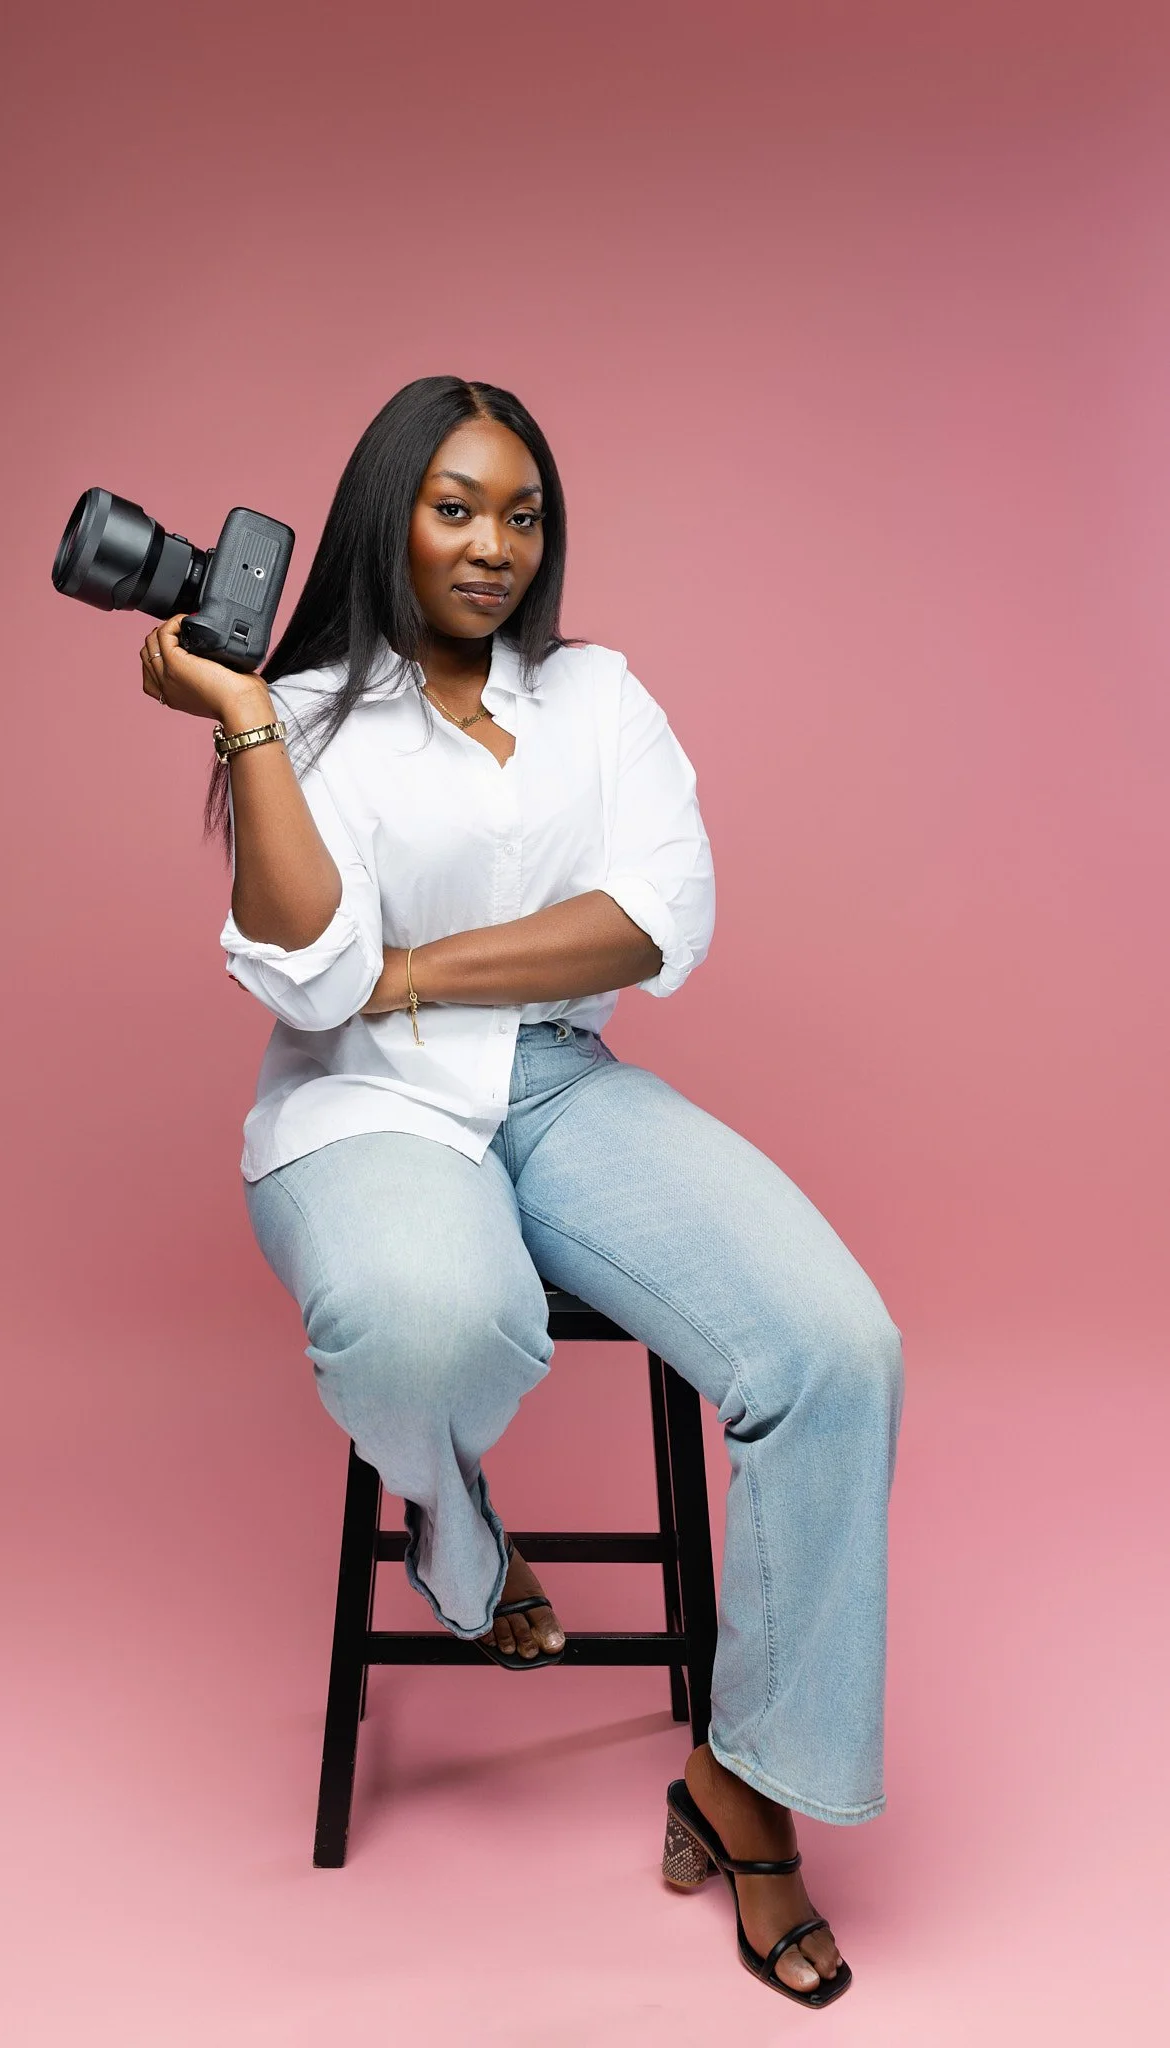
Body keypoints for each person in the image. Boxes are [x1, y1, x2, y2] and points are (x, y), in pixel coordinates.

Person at [138, 375, 903, 2010]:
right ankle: (460, 1531)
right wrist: (243, 719)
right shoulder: (306, 712)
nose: (495, 544)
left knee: (836, 1350)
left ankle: (746, 1785)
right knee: (430, 1324)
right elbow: (309, 979)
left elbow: (658, 915)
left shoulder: (597, 696)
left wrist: (410, 969)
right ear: (388, 517)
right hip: (362, 1102)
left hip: (557, 1081)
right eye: (455, 508)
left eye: (523, 513)